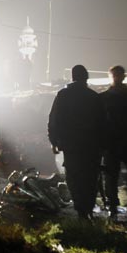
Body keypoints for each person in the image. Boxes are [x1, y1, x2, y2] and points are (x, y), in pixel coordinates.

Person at [49, 65, 106, 220]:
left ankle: (80, 208)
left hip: (71, 144)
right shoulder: (94, 97)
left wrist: (54, 141)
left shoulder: (63, 95)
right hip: (91, 146)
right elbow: (102, 123)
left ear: (72, 77)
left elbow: (54, 119)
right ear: (86, 78)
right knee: (90, 177)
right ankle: (87, 207)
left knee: (74, 176)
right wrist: (103, 145)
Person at [100, 65, 127, 215]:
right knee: (124, 172)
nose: (116, 78)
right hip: (125, 138)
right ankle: (120, 199)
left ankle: (114, 202)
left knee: (112, 174)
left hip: (114, 140)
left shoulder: (105, 97)